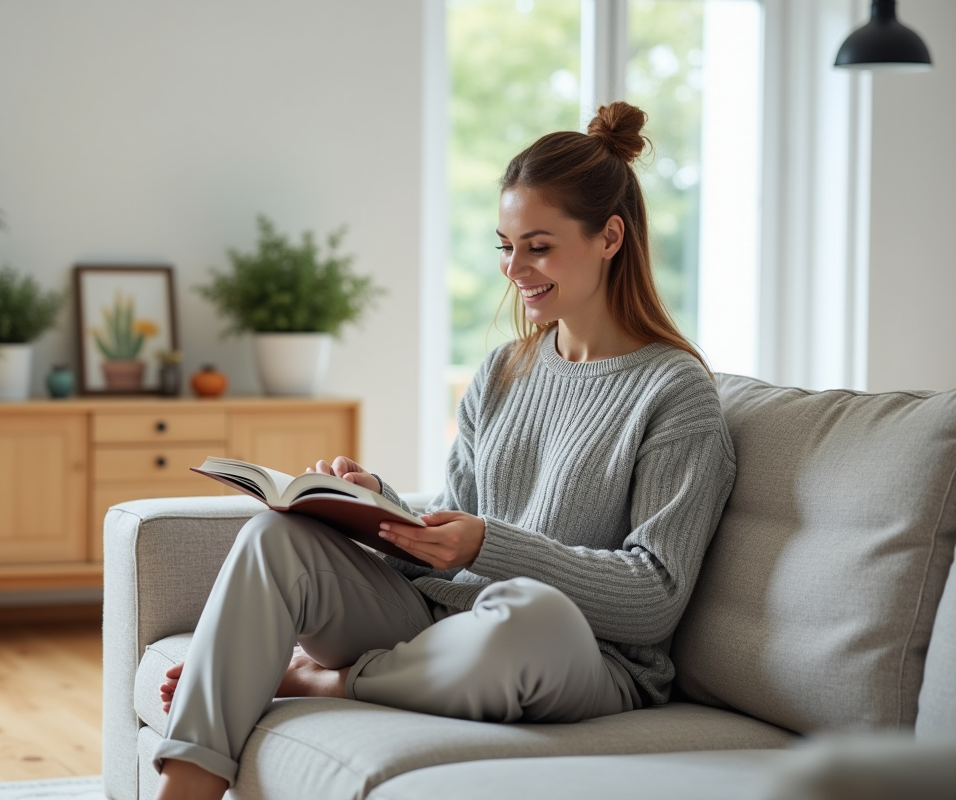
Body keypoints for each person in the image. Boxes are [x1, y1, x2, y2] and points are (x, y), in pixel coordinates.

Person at [152, 101, 736, 800]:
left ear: (610, 237)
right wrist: (372, 505)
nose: (513, 268)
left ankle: (319, 678)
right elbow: (451, 537)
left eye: (538, 246)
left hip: (578, 655)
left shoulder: (675, 391)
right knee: (274, 535)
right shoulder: (501, 371)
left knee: (528, 613)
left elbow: (655, 600)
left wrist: (488, 546)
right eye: (505, 244)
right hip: (443, 628)